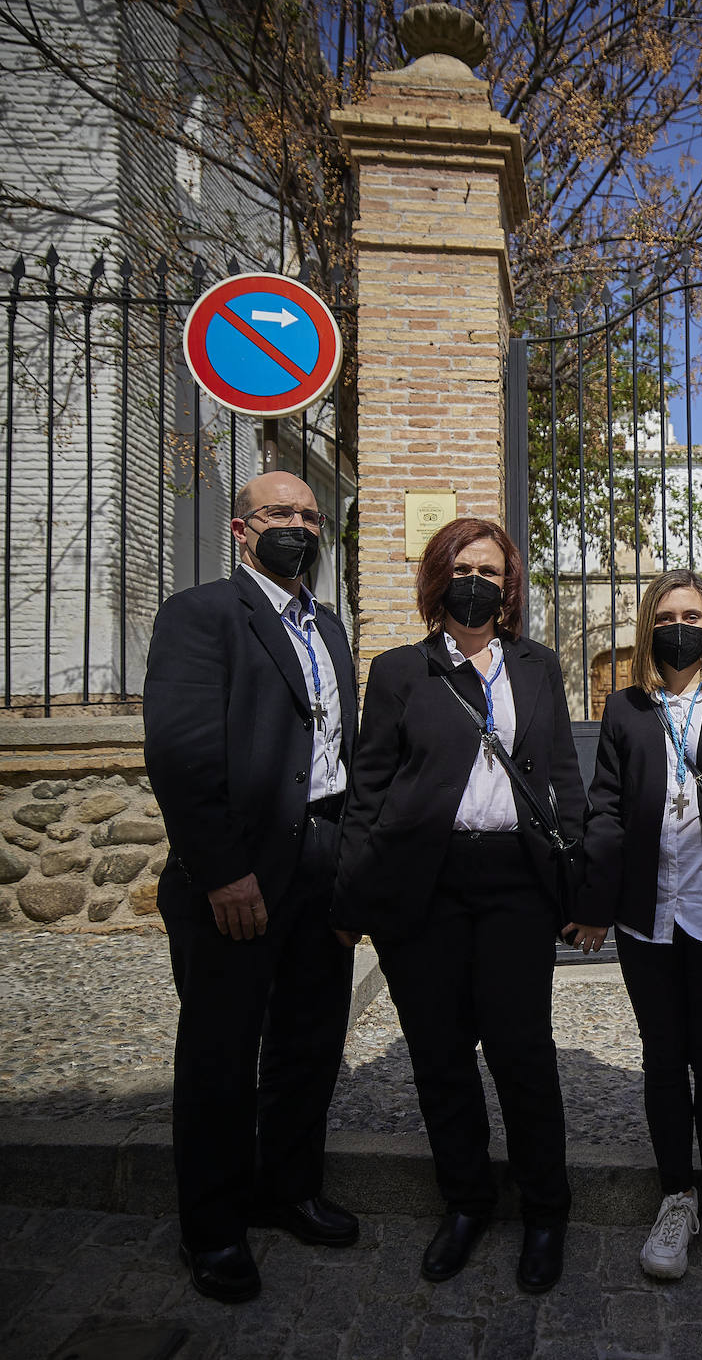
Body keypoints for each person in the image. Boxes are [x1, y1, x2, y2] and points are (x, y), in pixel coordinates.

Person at [332, 517, 585, 1294]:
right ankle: (467, 1202)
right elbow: (368, 788)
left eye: (493, 570)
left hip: (514, 884)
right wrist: (351, 893)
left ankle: (546, 1210)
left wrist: (583, 892)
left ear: (509, 588)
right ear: (439, 577)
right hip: (424, 888)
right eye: (465, 567)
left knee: (521, 1054)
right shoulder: (400, 671)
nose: (479, 581)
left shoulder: (538, 667)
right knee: (440, 1059)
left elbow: (565, 782)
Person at [144, 472, 358, 1304]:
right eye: (279, 514)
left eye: (309, 515)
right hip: (238, 869)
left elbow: (339, 747)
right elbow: (184, 757)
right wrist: (222, 870)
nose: (297, 526)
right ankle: (216, 1228)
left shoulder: (330, 627)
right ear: (242, 529)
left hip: (321, 863)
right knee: (221, 1054)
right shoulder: (200, 617)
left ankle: (287, 1190)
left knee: (309, 1041)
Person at [569, 570, 702, 1285]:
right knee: (662, 1060)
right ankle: (675, 1198)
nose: (679, 626)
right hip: (646, 919)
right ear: (646, 626)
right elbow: (603, 807)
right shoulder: (625, 707)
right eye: (666, 615)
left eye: (691, 614)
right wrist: (596, 904)